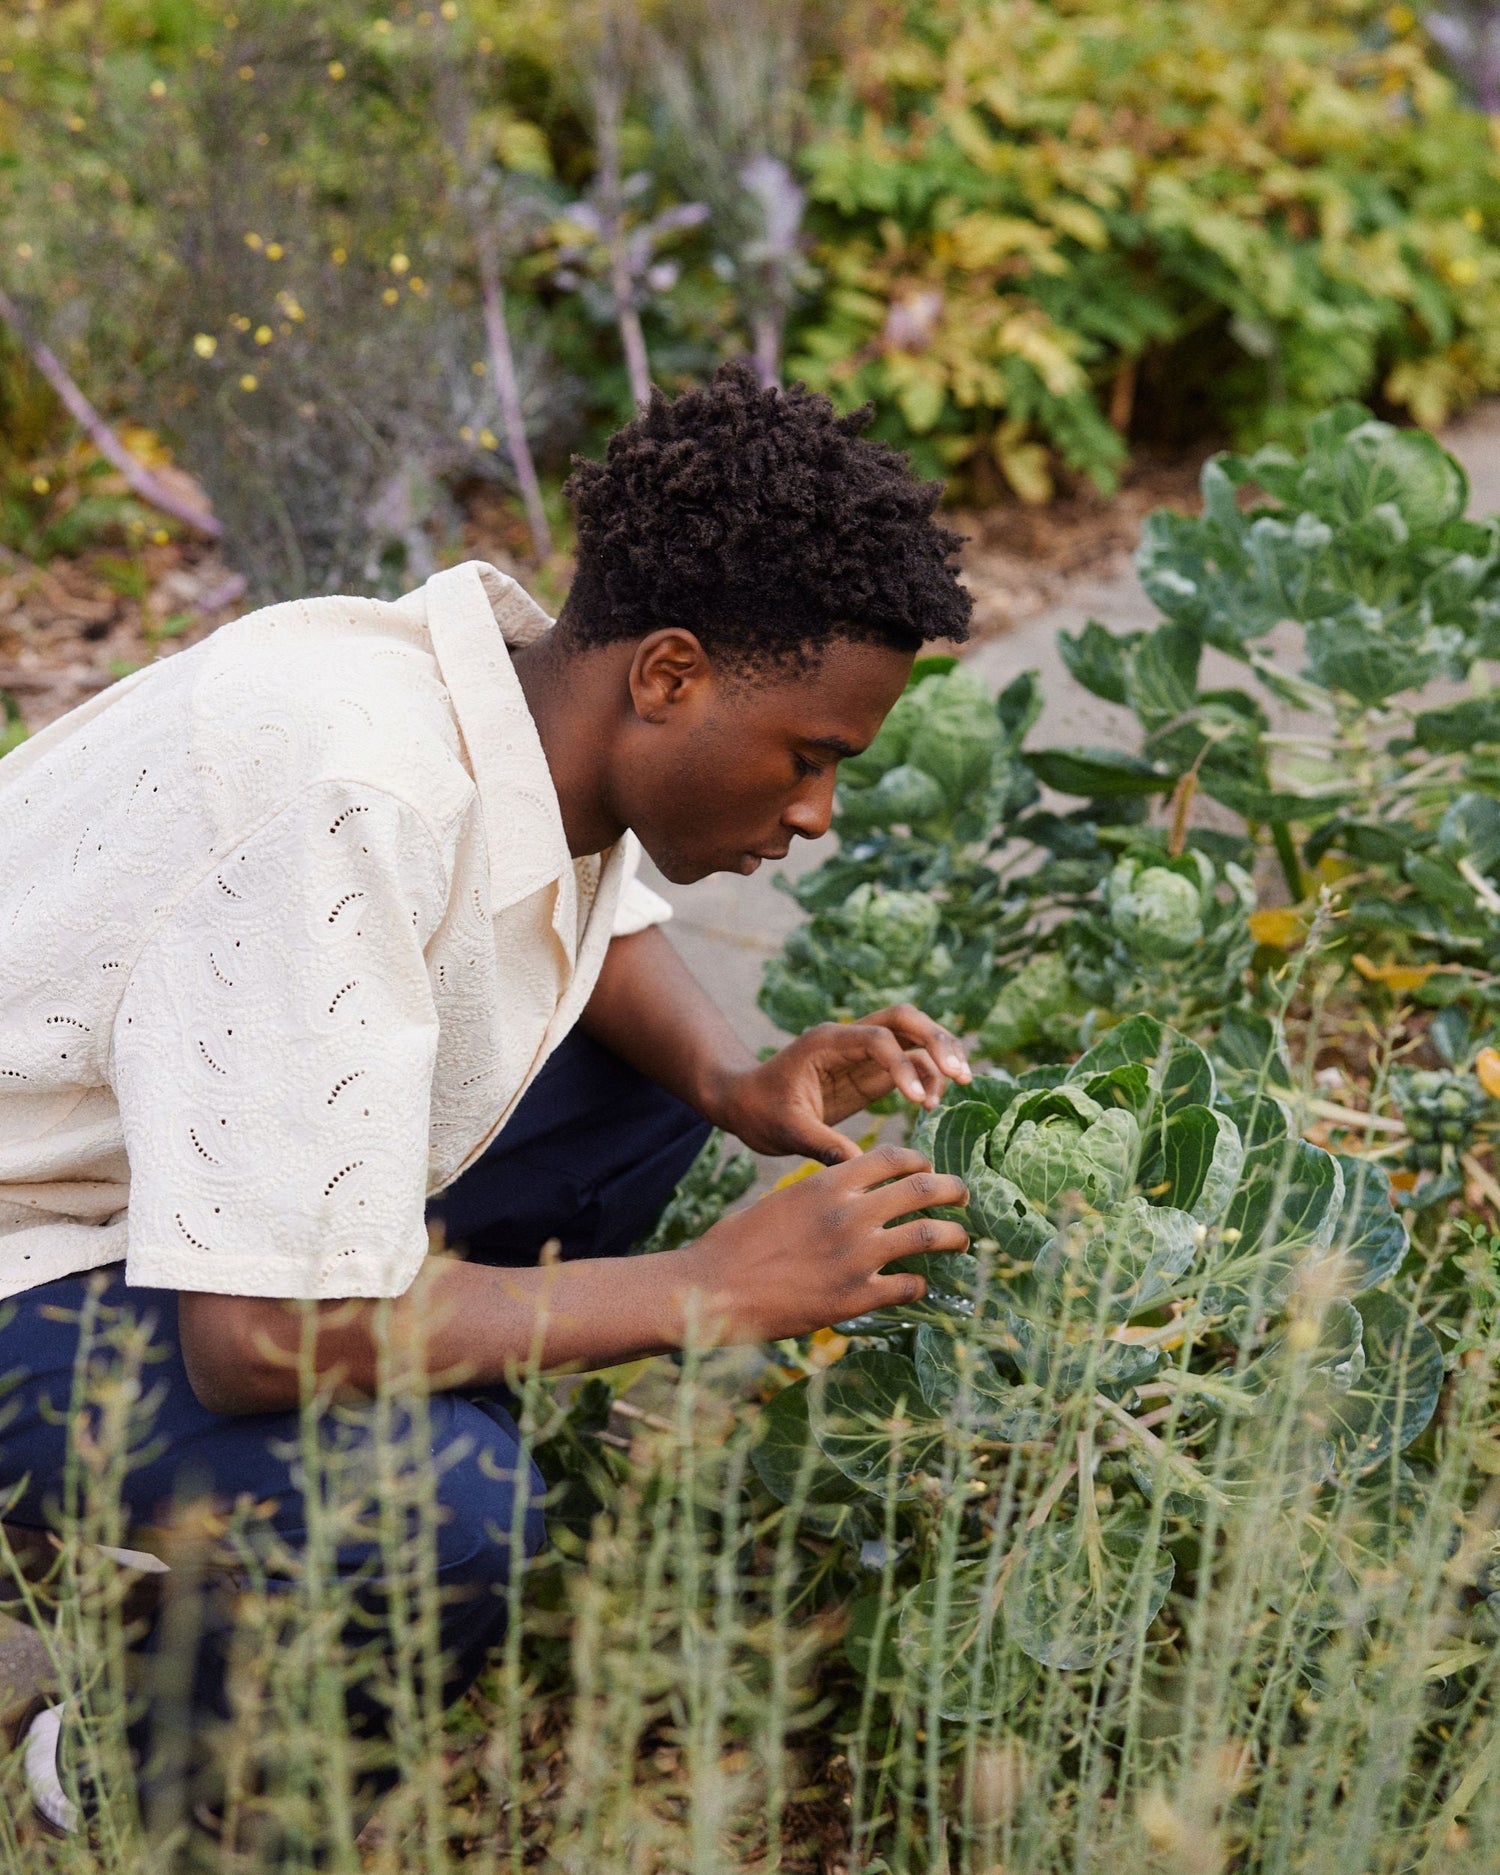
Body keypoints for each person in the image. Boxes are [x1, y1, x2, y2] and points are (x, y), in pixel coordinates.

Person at [0, 363, 975, 1835]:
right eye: (810, 756)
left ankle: (295, 1486)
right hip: (38, 1246)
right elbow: (260, 1336)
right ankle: (134, 1782)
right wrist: (711, 1289)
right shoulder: (355, 796)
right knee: (452, 1522)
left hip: (139, 1177)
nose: (817, 812)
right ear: (669, 676)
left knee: (644, 1092)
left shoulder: (514, 699)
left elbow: (595, 922)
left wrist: (733, 1079)